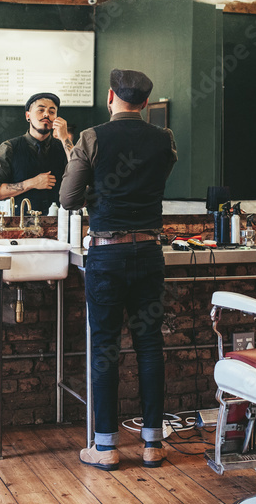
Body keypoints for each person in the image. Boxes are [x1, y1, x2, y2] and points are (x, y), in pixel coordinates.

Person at [59, 69, 177, 471]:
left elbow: (68, 198)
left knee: (105, 347)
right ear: (145, 103)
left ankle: (105, 447)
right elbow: (154, 181)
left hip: (106, 255)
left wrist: (98, 188)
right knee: (149, 345)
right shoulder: (164, 139)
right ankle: (153, 444)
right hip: (149, 252)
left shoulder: (91, 138)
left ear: (111, 97)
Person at [0, 92, 73, 214]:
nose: (46, 114)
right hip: (20, 225)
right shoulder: (9, 147)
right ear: (28, 115)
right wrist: (32, 183)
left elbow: (80, 170)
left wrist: (65, 139)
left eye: (52, 112)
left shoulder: (63, 147)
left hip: (59, 224)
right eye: (41, 110)